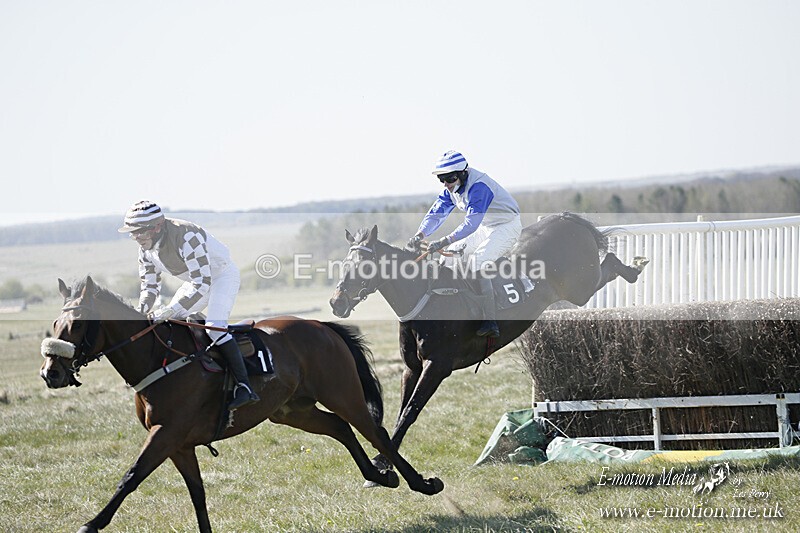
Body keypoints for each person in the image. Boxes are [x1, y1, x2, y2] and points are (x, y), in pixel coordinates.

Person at [118, 200, 259, 410]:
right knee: (171, 324)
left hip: (221, 276)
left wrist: (172, 309)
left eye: (139, 232)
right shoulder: (145, 250)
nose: (136, 237)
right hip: (195, 282)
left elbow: (203, 282)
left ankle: (244, 387)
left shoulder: (186, 235)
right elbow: (149, 286)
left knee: (215, 328)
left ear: (156, 226)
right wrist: (141, 311)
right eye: (133, 233)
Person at [408, 151, 522, 338]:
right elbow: (436, 214)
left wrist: (444, 240)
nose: (446, 184)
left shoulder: (479, 187)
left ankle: (490, 321)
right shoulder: (451, 188)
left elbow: (471, 224)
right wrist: (420, 235)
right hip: (486, 227)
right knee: (452, 255)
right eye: (441, 179)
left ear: (463, 173)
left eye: (449, 178)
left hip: (506, 226)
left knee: (478, 262)